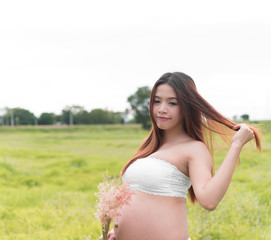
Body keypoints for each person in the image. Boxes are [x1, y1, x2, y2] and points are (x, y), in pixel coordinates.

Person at [99, 72, 261, 240]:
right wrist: (116, 232)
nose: (162, 109)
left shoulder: (193, 148)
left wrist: (236, 146)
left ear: (187, 107)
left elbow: (209, 200)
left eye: (172, 103)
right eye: (157, 101)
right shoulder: (150, 147)